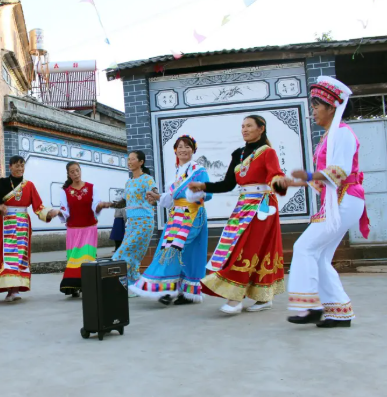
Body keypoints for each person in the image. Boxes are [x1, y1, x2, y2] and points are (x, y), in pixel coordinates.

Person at [285, 76, 370, 328]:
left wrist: (308, 176)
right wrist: (294, 182)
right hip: (340, 201)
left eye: (316, 106)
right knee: (319, 256)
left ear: (331, 107)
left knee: (304, 248)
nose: (313, 111)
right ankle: (339, 312)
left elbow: (339, 172)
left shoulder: (343, 133)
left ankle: (309, 306)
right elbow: (326, 179)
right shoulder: (330, 136)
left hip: (346, 199)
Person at [188, 115, 288, 314]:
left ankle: (235, 298)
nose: (244, 129)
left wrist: (279, 181)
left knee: (246, 248)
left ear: (261, 128)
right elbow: (228, 184)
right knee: (243, 248)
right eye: (242, 126)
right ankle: (263, 297)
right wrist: (204, 185)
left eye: (249, 125)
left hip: (262, 206)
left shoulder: (268, 152)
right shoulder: (238, 154)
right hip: (243, 206)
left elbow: (275, 173)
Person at [131, 135, 212, 305]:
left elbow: (208, 193)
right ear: (175, 150)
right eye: (180, 147)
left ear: (193, 150)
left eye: (187, 147)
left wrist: (192, 193)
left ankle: (167, 288)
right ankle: (180, 290)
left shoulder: (199, 171)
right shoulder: (178, 172)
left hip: (192, 215)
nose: (183, 149)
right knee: (175, 251)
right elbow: (172, 198)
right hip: (176, 216)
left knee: (175, 249)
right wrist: (157, 197)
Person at [0, 156, 60, 301]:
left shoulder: (29, 185)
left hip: (23, 224)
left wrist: (49, 213)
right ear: (10, 166)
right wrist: (0, 208)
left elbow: (38, 206)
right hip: (6, 223)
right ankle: (6, 287)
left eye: (22, 166)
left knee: (21, 256)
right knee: (5, 255)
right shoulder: (2, 183)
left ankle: (15, 290)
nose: (20, 168)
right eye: (17, 165)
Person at [57, 161, 112, 296]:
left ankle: (86, 284)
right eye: (72, 172)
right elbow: (65, 211)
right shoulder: (65, 191)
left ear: (81, 171)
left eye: (77, 170)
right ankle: (73, 286)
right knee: (74, 257)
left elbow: (95, 205)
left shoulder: (92, 188)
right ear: (68, 174)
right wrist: (58, 212)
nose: (76, 174)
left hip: (89, 228)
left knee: (87, 257)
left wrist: (100, 206)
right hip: (73, 229)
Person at [112, 150, 157, 294]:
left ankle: (130, 286)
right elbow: (124, 201)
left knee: (120, 255)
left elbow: (154, 193)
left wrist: (153, 196)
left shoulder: (148, 179)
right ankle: (135, 287)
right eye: (128, 159)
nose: (129, 162)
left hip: (144, 222)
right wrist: (107, 204)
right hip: (130, 223)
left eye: (132, 159)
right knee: (132, 258)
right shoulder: (129, 182)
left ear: (141, 162)